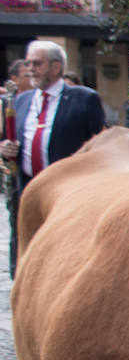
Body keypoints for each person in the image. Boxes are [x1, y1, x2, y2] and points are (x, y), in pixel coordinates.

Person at [0, 40, 106, 276]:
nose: (30, 69)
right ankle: (22, 281)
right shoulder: (21, 101)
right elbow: (11, 140)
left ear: (56, 67)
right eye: (28, 63)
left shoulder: (84, 99)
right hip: (27, 188)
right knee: (24, 242)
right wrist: (5, 149)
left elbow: (102, 145)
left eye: (37, 63)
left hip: (67, 191)